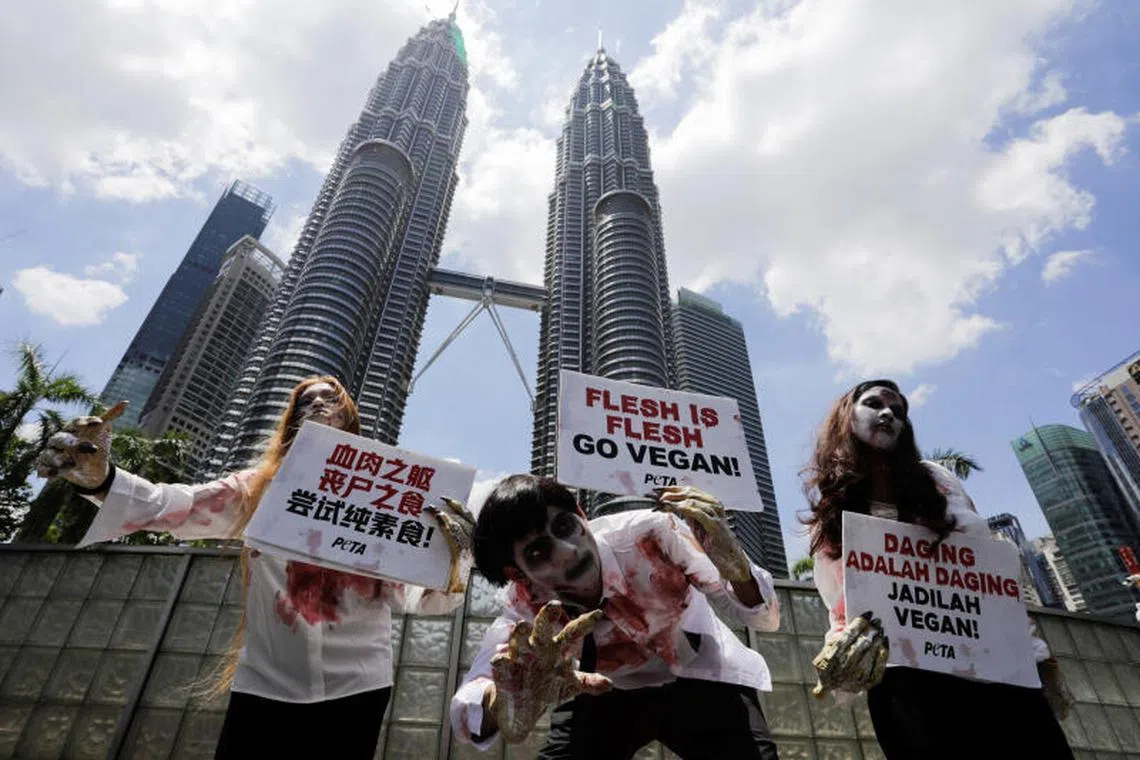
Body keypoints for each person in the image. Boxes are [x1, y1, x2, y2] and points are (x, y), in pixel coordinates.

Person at [36, 375, 475, 760]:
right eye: (305, 400)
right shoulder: (259, 487)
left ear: (350, 419)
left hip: (358, 686)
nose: (318, 404)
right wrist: (104, 480)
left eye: (331, 399)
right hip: (267, 680)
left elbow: (420, 597)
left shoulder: (383, 501)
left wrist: (459, 555)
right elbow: (182, 506)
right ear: (290, 421)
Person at [802, 379, 1074, 759]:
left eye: (898, 411)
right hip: (907, 684)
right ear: (846, 417)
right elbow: (843, 607)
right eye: (874, 404)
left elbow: (989, 575)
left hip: (993, 670)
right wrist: (838, 652)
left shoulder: (937, 480)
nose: (888, 414)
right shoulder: (833, 512)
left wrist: (1038, 655)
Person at [450, 474, 782, 759]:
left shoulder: (652, 534)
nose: (568, 551)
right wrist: (507, 698)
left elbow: (763, 619)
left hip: (698, 676)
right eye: (539, 552)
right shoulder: (526, 607)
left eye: (566, 527)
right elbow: (467, 707)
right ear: (518, 574)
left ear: (581, 514)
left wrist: (736, 566)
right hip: (599, 691)